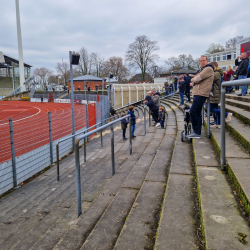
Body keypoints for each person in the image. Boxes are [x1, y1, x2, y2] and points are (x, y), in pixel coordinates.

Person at [188, 56, 214, 139]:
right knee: (197, 112)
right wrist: (195, 80)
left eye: (204, 60)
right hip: (199, 93)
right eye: (201, 61)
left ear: (207, 61)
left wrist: (193, 80)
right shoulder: (203, 70)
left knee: (193, 111)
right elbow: (197, 79)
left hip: (201, 93)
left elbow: (197, 79)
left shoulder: (208, 68)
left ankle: (196, 132)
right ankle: (197, 132)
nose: (202, 62)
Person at [209, 62, 232, 128]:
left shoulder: (216, 73)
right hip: (214, 93)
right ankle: (218, 123)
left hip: (215, 93)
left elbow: (209, 80)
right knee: (215, 108)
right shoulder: (216, 73)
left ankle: (226, 114)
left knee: (211, 109)